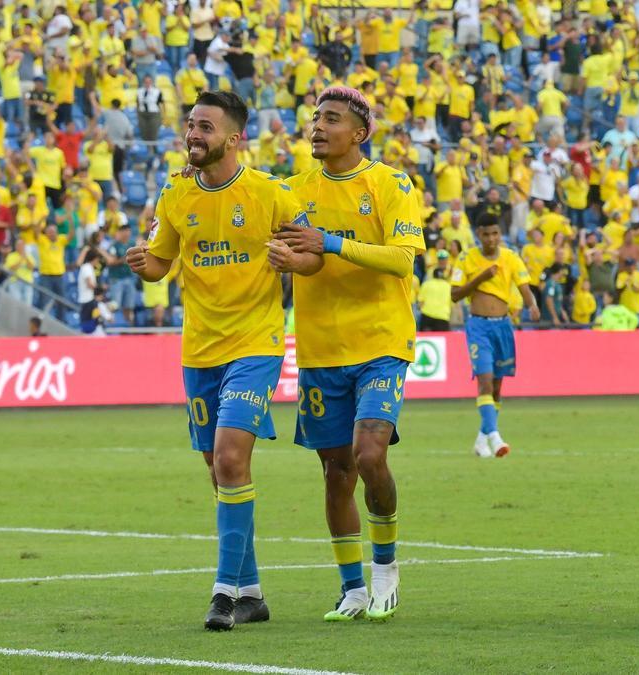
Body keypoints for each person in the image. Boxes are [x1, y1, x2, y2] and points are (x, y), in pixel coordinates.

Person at [126, 91, 317, 631]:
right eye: (191, 125)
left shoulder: (269, 194)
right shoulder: (175, 192)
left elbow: (314, 254)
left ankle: (224, 594)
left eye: (205, 127)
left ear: (234, 138)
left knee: (231, 459)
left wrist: (294, 260)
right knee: (218, 469)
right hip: (198, 351)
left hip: (255, 346)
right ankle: (253, 590)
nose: (193, 135)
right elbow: (161, 262)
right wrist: (144, 265)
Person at [272, 86, 425, 622]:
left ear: (359, 134)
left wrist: (329, 243)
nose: (317, 127)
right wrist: (288, 258)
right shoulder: (292, 192)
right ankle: (352, 589)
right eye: (315, 118)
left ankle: (386, 569)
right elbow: (305, 259)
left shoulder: (390, 183)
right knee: (337, 472)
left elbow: (403, 261)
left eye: (331, 119)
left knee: (369, 455)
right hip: (319, 348)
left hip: (382, 341)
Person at [450, 213, 539, 459]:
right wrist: (481, 277)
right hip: (479, 327)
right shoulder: (467, 258)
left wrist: (531, 304)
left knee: (498, 387)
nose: (491, 239)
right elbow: (455, 295)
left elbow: (524, 286)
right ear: (478, 234)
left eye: (495, 233)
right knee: (485, 382)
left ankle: (481, 438)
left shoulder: (510, 257)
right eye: (486, 234)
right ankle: (495, 436)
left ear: (500, 234)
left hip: (503, 327)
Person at [418, 252, 453, 331]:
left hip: (427, 315)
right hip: (443, 316)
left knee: (425, 340)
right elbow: (452, 303)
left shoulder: (426, 284)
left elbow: (420, 303)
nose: (442, 261)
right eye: (440, 259)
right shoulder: (448, 286)